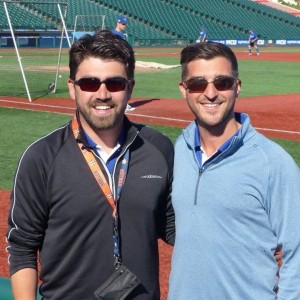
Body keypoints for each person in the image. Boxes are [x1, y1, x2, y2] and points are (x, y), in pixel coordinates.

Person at [6, 30, 175, 300]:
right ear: (73, 86)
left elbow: (176, 227)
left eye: (115, 83)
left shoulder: (159, 148)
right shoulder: (41, 157)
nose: (103, 93)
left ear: (129, 87)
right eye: (89, 83)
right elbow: (23, 247)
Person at [168, 41, 300, 299]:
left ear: (237, 87)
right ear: (184, 90)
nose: (210, 93)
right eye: (197, 84)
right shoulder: (179, 150)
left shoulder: (272, 161)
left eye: (222, 82)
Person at [111, 15, 135, 112]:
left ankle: (123, 104)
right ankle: (121, 105)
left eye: (125, 24)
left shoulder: (119, 34)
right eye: (123, 24)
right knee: (122, 82)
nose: (124, 26)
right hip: (118, 61)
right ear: (118, 23)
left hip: (120, 60)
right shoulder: (115, 34)